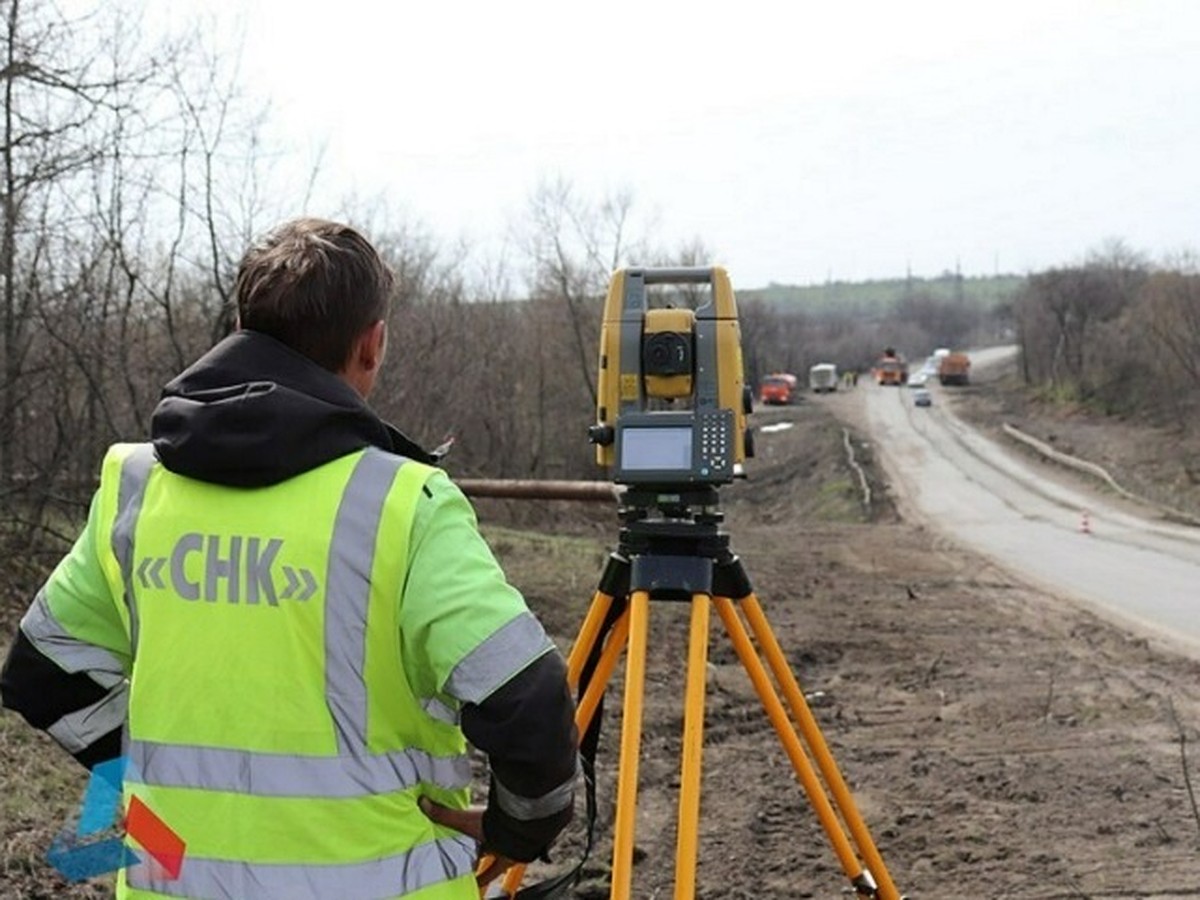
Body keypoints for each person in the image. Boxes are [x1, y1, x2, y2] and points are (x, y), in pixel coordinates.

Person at [0, 218, 579, 899]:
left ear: (243, 325)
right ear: (373, 344)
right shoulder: (401, 505)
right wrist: (518, 832)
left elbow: (42, 673)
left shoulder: (138, 487)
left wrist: (150, 785)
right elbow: (528, 703)